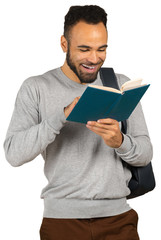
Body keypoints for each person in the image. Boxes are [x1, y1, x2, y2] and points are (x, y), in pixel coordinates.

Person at [4, 5, 153, 240]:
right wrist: (61, 116)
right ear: (64, 44)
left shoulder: (119, 84)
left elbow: (145, 154)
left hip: (119, 221)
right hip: (62, 224)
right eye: (84, 49)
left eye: (101, 49)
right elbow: (13, 154)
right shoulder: (36, 88)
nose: (94, 59)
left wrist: (120, 141)